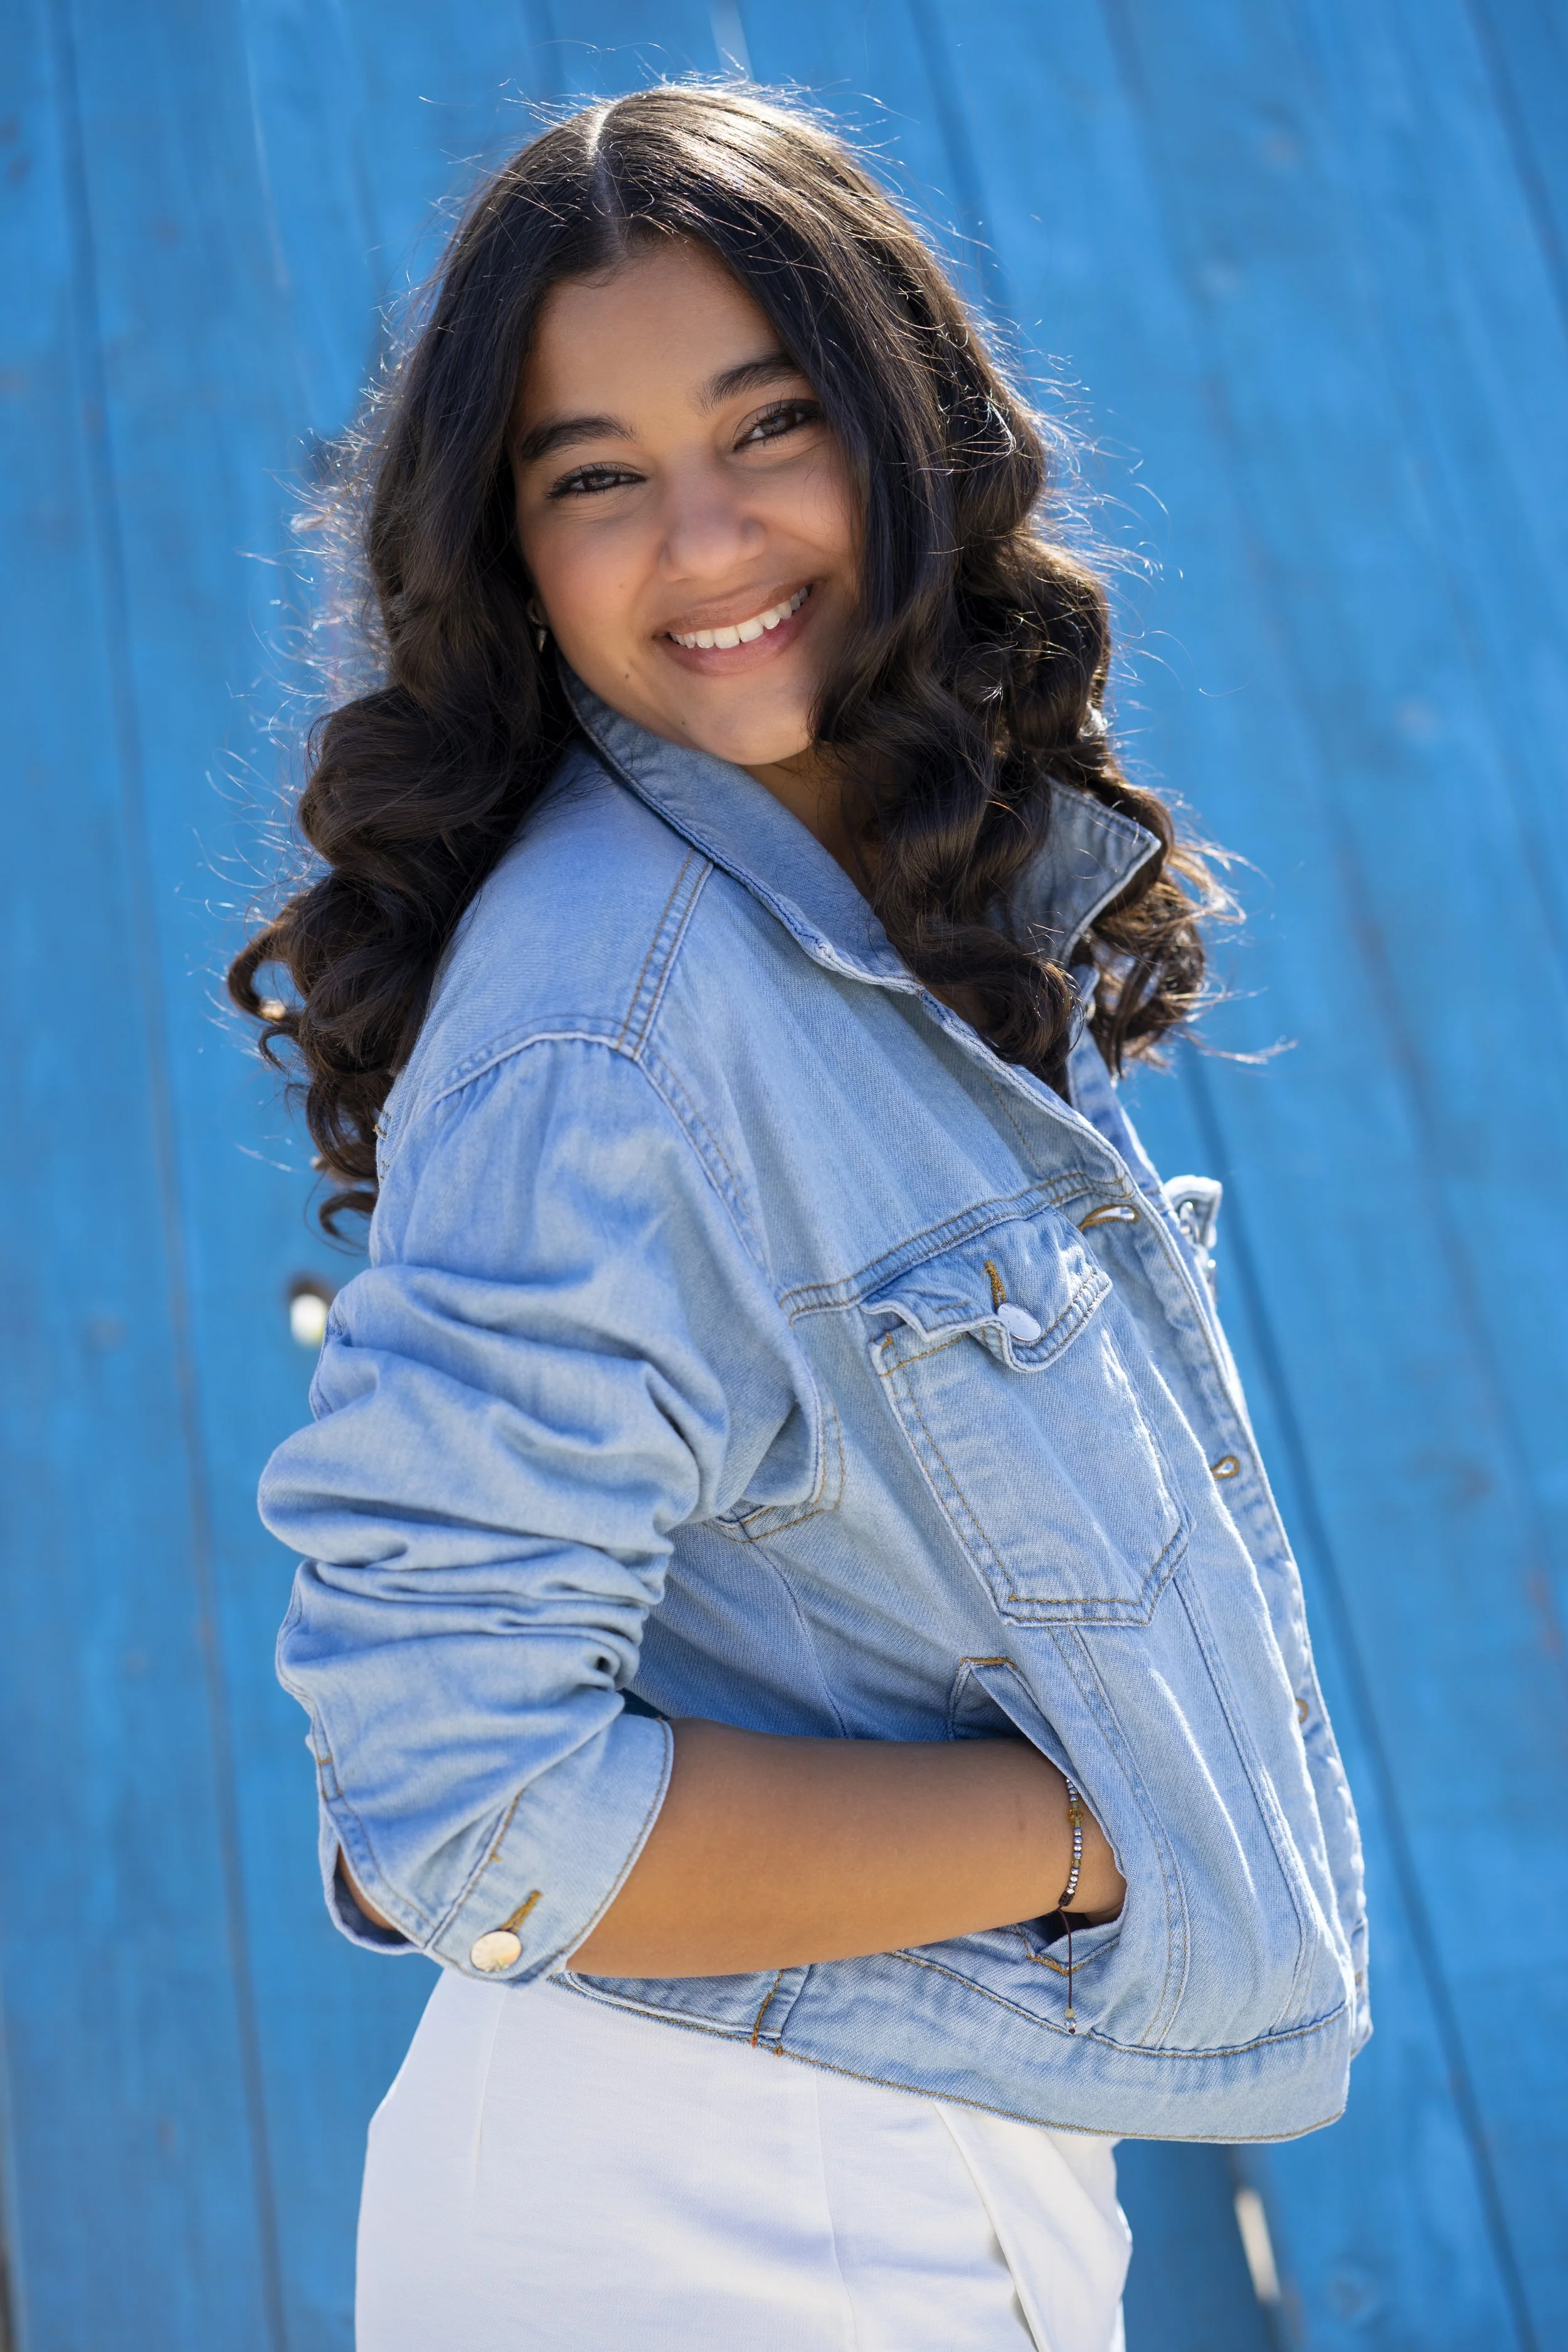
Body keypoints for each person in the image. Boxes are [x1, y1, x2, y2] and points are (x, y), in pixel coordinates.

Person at [233, 85, 1367, 2351]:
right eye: (595, 478)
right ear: (515, 554)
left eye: (770, 427)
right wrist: (1078, 1836)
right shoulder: (616, 1019)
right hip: (725, 2203)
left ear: (904, 429)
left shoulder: (856, 914)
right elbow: (450, 1798)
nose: (709, 537)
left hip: (875, 2140)